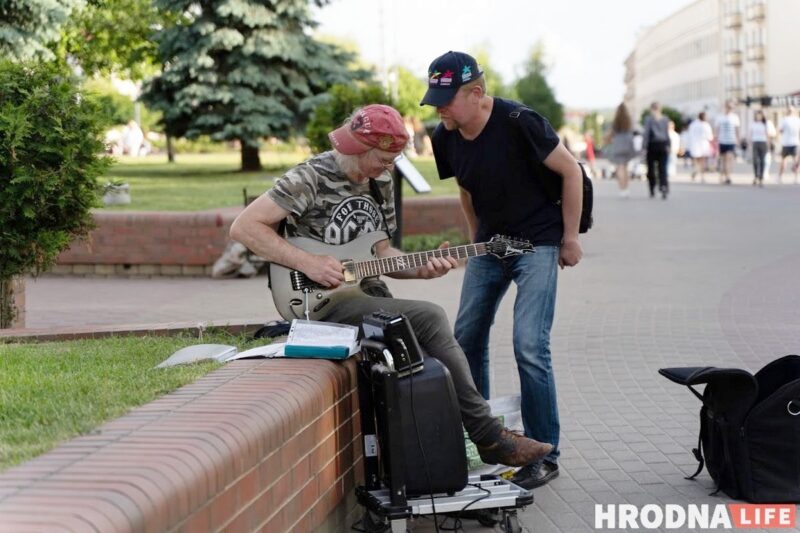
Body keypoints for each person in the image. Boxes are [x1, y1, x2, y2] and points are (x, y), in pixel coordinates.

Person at [229, 104, 553, 468]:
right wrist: (308, 263)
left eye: (393, 160)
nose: (388, 168)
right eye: (382, 159)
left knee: (427, 351)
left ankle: (436, 459)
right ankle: (489, 437)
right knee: (430, 318)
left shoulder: (380, 182)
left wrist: (422, 271)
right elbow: (244, 227)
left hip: (369, 296)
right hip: (319, 300)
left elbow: (381, 252)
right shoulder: (310, 177)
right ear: (356, 147)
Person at [420, 51, 583, 489]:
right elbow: (466, 191)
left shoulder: (520, 122)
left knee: (530, 344)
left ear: (476, 93)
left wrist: (570, 238)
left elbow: (571, 172)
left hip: (540, 242)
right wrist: (476, 243)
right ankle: (488, 439)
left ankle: (545, 451)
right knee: (464, 338)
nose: (439, 108)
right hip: (491, 244)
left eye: (446, 99)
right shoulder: (446, 135)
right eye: (434, 98)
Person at [605, 103, 636, 198]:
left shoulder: (615, 121)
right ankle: (626, 188)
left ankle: (622, 189)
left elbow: (611, 134)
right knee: (625, 168)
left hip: (618, 145)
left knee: (620, 168)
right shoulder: (629, 120)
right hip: (628, 145)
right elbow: (632, 131)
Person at [642, 102, 671, 199]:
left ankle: (652, 187)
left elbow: (646, 134)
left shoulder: (648, 119)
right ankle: (663, 185)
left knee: (651, 169)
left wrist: (644, 147)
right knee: (662, 168)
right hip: (663, 145)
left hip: (652, 145)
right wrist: (668, 145)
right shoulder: (665, 119)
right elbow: (667, 134)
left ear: (651, 109)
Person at [715, 101, 740, 185]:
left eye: (731, 108)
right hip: (722, 141)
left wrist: (738, 139)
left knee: (729, 159)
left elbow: (737, 130)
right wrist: (716, 140)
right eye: (728, 107)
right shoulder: (720, 117)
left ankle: (728, 177)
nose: (729, 109)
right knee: (723, 160)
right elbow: (717, 130)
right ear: (725, 107)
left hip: (731, 141)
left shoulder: (735, 117)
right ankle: (722, 175)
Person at [749, 109, 775, 187]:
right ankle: (756, 176)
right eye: (757, 114)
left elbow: (768, 135)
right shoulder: (753, 124)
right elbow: (750, 134)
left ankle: (761, 177)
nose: (758, 116)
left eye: (760, 115)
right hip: (755, 142)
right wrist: (750, 144)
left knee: (762, 160)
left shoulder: (765, 123)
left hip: (763, 143)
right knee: (755, 160)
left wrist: (769, 144)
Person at [687, 112, 714, 183]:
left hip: (695, 145)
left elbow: (690, 135)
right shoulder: (706, 125)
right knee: (702, 162)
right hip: (703, 146)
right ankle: (702, 176)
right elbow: (710, 137)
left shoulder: (693, 125)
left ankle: (696, 171)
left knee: (697, 161)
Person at [778, 106, 800, 184]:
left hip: (786, 143)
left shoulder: (784, 120)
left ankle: (780, 177)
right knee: (795, 161)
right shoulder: (798, 120)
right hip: (795, 142)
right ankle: (796, 178)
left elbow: (780, 130)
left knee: (784, 160)